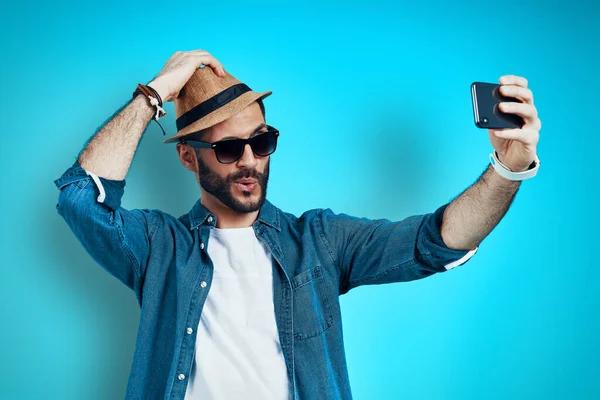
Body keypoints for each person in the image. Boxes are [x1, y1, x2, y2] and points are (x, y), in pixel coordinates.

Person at [54, 50, 542, 399]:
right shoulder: (159, 247)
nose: (250, 161)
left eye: (261, 142)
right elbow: (81, 199)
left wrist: (508, 168)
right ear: (187, 157)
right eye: (228, 149)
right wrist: (157, 91)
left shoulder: (320, 240)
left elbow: (435, 243)